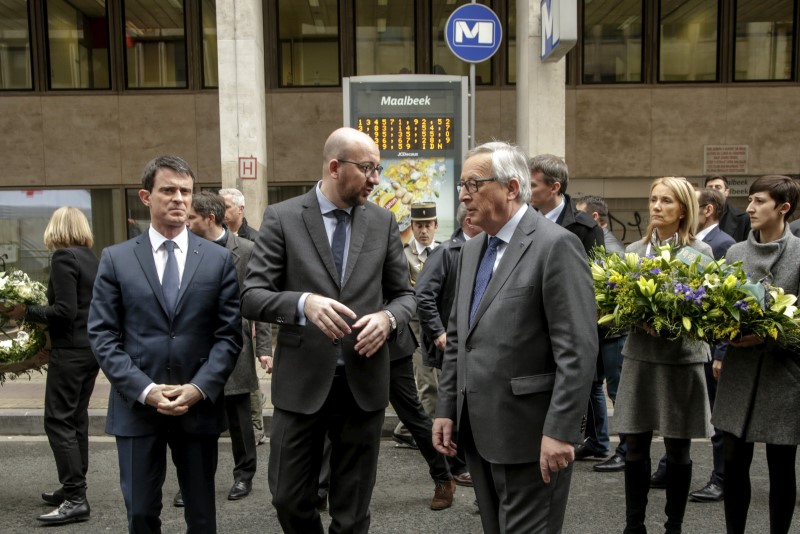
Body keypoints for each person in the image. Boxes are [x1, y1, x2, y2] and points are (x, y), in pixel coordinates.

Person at [241, 127, 415, 533]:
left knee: (352, 508)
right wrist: (303, 303)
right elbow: (251, 296)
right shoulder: (283, 218)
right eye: (368, 168)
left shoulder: (384, 221)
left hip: (363, 381)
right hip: (302, 383)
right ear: (335, 167)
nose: (376, 179)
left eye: (378, 168)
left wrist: (388, 319)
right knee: (287, 496)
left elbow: (405, 297)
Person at [433, 141, 597, 533]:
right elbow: (460, 338)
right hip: (477, 431)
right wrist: (446, 406)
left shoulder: (556, 245)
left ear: (510, 187)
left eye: (473, 184)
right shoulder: (472, 249)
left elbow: (577, 349)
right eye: (461, 185)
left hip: (532, 436)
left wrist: (560, 431)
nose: (463, 196)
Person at [88, 155, 242, 533]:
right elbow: (102, 335)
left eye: (185, 191)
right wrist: (146, 390)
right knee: (140, 514)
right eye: (168, 190)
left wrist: (198, 388)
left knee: (203, 517)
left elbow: (229, 335)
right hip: (138, 409)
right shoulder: (116, 259)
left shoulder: (219, 261)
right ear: (146, 196)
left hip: (198, 408)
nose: (179, 198)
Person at [614, 176, 713, 534]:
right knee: (635, 448)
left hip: (680, 361)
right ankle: (633, 526)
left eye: (666, 201)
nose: (656, 206)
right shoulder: (633, 253)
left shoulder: (700, 252)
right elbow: (619, 305)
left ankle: (674, 526)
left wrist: (670, 326)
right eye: (654, 199)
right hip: (640, 356)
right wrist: (636, 318)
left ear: (683, 209)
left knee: (678, 451)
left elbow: (705, 311)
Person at [712, 175, 800, 534]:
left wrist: (767, 338)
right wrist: (722, 335)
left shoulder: (799, 254)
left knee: (781, 467)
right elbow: (717, 306)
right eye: (749, 200)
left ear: (783, 208)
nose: (749, 208)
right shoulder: (735, 253)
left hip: (783, 375)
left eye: (759, 201)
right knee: (733, 464)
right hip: (738, 373)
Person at [1, 207, 99, 525]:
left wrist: (24, 311)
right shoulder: (89, 257)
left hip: (69, 352)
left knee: (57, 421)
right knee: (75, 419)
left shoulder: (62, 258)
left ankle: (75, 497)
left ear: (56, 228)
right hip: (89, 351)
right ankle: (73, 487)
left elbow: (64, 311)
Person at [179, 191, 272, 504]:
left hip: (235, 345)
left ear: (209, 218)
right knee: (196, 421)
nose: (186, 222)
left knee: (239, 420)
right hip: (195, 350)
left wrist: (264, 347)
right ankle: (194, 479)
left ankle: (244, 476)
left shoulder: (246, 250)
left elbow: (261, 304)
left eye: (191, 217)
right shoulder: (185, 251)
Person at [528, 154, 607, 460]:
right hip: (534, 327)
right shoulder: (525, 221)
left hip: (567, 324)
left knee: (585, 386)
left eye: (533, 184)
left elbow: (596, 282)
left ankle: (589, 438)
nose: (526, 190)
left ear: (554, 187)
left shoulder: (585, 228)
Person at [415, 203, 478, 487]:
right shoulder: (446, 252)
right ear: (468, 222)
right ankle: (454, 465)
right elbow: (423, 296)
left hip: (471, 345)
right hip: (447, 346)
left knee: (467, 403)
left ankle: (464, 460)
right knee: (449, 402)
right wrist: (438, 333)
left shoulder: (483, 250)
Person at [575, 195, 629, 474]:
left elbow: (610, 294)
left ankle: (626, 451)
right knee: (593, 386)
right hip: (598, 331)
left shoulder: (607, 247)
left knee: (618, 392)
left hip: (613, 332)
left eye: (580, 216)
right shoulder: (600, 243)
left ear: (594, 218)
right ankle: (597, 442)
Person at [394, 202, 440, 448]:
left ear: (435, 226)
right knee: (427, 385)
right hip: (416, 332)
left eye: (428, 225)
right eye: (419, 226)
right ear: (412, 227)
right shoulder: (404, 256)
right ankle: (424, 436)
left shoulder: (443, 252)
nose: (423, 231)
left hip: (440, 330)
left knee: (441, 384)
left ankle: (405, 428)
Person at [705, 175, 751, 242]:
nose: (713, 190)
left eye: (718, 187)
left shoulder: (743, 218)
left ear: (726, 192)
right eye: (710, 187)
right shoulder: (696, 216)